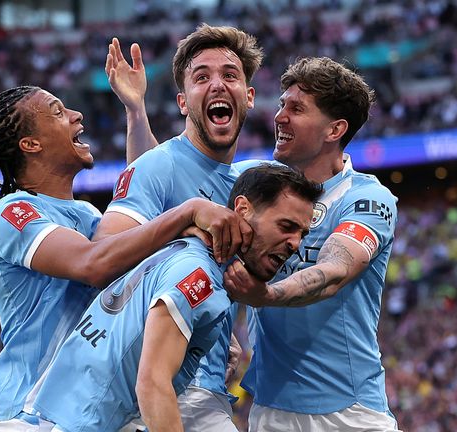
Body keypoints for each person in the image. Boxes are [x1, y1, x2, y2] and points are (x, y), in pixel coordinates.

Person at [0, 85, 250, 431]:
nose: (75, 115)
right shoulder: (11, 212)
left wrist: (136, 111)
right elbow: (93, 265)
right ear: (31, 144)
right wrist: (187, 213)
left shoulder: (88, 217)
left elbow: (147, 212)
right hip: (22, 417)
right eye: (57, 111)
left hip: (78, 416)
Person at [115, 53, 400, 430]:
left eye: (296, 109)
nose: (279, 117)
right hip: (270, 412)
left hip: (350, 413)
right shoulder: (256, 182)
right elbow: (160, 180)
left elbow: (334, 272)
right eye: (282, 105)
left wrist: (265, 295)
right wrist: (136, 110)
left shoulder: (366, 199)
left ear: (334, 130)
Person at [31, 165, 322, 432]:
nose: (295, 244)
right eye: (286, 227)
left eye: (302, 233)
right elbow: (152, 384)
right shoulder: (198, 277)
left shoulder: (185, 250)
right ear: (242, 209)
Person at [98, 24, 263, 431]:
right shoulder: (159, 165)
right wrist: (185, 221)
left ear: (250, 97)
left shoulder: (249, 183)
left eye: (230, 75)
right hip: (148, 396)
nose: (218, 85)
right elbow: (105, 254)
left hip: (210, 394)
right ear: (183, 102)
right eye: (201, 77)